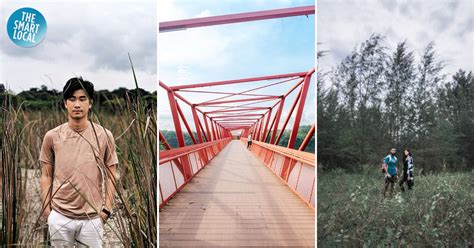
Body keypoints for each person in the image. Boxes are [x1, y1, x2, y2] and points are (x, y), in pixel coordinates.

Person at [39, 77, 118, 247]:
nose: (77, 104)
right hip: (59, 215)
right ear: (65, 103)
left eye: (82, 99)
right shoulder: (52, 136)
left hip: (92, 217)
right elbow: (46, 174)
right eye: (72, 99)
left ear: (90, 104)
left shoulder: (104, 135)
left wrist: (106, 209)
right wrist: (48, 210)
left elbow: (112, 174)